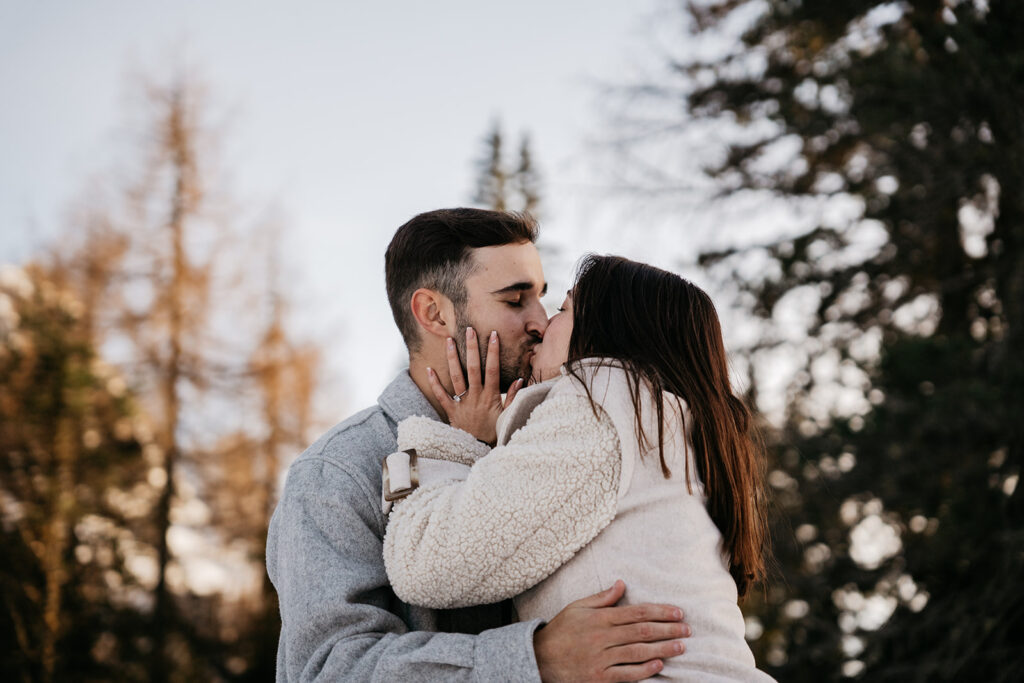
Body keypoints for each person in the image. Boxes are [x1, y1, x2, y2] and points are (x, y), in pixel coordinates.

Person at [266, 210, 691, 682]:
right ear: (434, 314)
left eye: (543, 298)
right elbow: (327, 669)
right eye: (515, 301)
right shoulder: (339, 471)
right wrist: (534, 659)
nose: (541, 322)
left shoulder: (564, 436)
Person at [381, 254, 775, 681]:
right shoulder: (661, 420)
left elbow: (427, 565)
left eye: (565, 310)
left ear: (607, 333)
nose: (544, 325)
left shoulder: (599, 403)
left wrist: (457, 443)